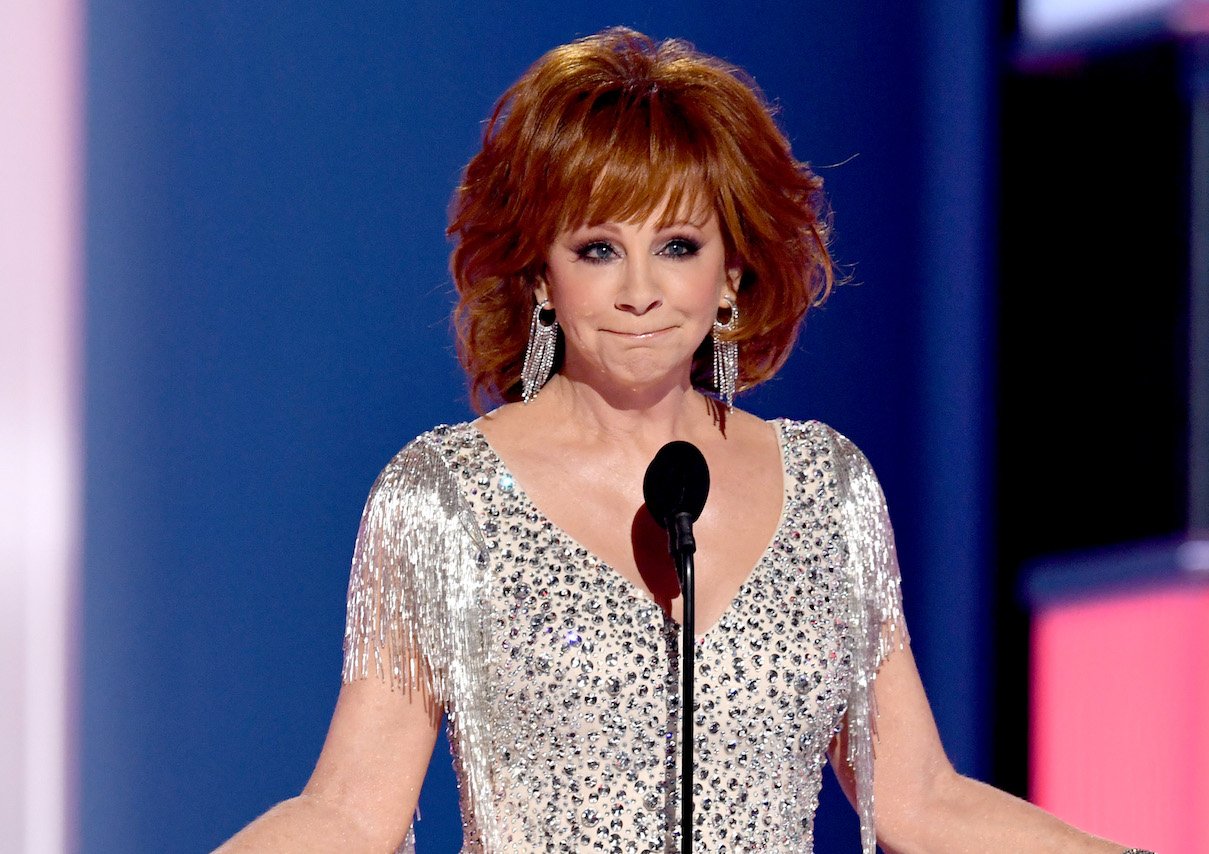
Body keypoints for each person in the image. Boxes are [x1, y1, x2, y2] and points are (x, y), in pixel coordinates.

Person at [218, 27, 1154, 854]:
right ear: (541, 276)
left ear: (732, 273)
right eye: (596, 248)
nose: (639, 291)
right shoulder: (443, 501)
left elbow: (916, 801)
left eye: (676, 246)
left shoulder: (829, 491)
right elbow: (350, 814)